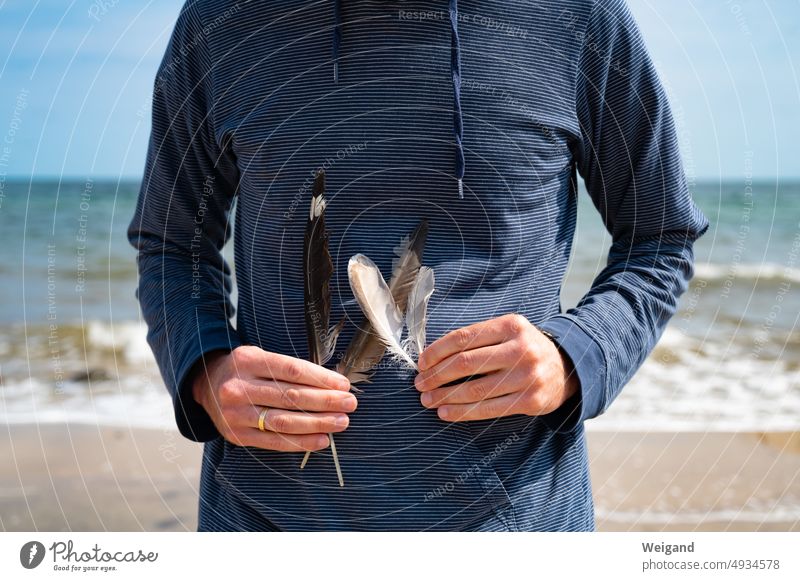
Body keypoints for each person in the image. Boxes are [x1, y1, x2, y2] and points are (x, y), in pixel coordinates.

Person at [128, 0, 708, 531]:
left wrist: (574, 357)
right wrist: (205, 372)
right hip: (263, 524)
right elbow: (171, 244)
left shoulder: (579, 16)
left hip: (517, 526)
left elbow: (661, 238)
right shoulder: (222, 20)